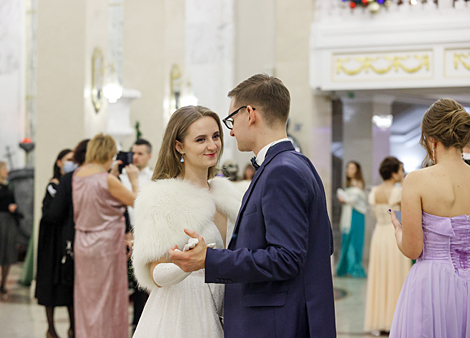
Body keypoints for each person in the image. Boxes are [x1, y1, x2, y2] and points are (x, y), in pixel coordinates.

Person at [169, 74, 336, 337]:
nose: (231, 131)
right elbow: (323, 244)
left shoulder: (281, 171)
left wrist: (209, 259)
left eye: (231, 120)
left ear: (250, 114)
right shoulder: (298, 163)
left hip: (275, 323)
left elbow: (287, 258)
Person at [131, 105, 241, 338]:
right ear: (179, 146)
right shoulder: (160, 198)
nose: (212, 146)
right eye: (200, 139)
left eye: (216, 136)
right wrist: (185, 264)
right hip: (183, 313)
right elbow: (155, 274)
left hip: (231, 308)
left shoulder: (230, 195)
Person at [390, 98, 470, 337]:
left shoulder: (417, 180)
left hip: (433, 283)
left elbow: (413, 249)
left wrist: (398, 230)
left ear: (431, 140)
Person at [72, 134, 139, 338]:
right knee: (108, 298)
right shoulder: (107, 180)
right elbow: (136, 201)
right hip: (105, 245)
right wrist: (134, 180)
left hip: (83, 242)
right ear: (109, 154)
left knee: (87, 298)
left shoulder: (78, 174)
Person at [364, 156, 411, 335]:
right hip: (393, 235)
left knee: (380, 277)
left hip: (378, 236)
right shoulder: (398, 192)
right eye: (400, 170)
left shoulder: (373, 192)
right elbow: (401, 217)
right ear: (393, 173)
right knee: (395, 276)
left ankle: (379, 322)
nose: (402, 173)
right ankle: (394, 321)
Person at [35, 148, 74, 338]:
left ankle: (73, 327)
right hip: (51, 243)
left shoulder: (73, 183)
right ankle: (51, 329)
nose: (71, 163)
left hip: (66, 241)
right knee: (49, 283)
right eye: (68, 159)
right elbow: (52, 214)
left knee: (68, 285)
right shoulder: (54, 186)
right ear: (59, 162)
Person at [118, 138, 153, 330]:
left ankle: (138, 323)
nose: (135, 157)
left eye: (140, 153)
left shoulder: (154, 177)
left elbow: (146, 206)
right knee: (121, 282)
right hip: (123, 235)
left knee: (141, 283)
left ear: (149, 156)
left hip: (144, 235)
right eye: (133, 153)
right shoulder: (121, 177)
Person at [336, 161, 367, 277]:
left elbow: (356, 200)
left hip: (356, 216)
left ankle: (354, 268)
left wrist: (346, 199)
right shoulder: (350, 185)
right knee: (346, 241)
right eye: (348, 168)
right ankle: (345, 268)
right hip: (349, 215)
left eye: (352, 168)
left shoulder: (358, 185)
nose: (349, 170)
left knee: (354, 242)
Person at [0, 161, 18, 295]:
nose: (6, 171)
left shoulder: (9, 186)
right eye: (4, 168)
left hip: (9, 221)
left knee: (7, 251)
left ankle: (3, 283)